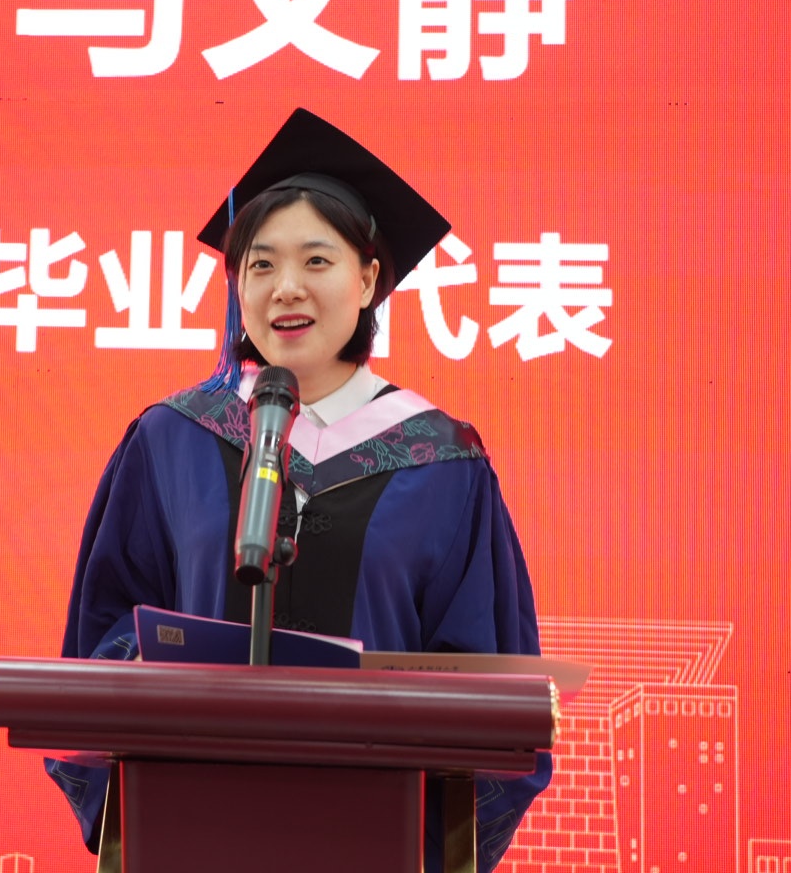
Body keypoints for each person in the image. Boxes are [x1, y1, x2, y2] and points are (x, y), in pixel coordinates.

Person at [45, 108, 549, 872]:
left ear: (368, 279)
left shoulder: (444, 461)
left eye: (317, 261)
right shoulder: (172, 440)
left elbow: (491, 679)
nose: (286, 288)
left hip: (374, 840)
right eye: (260, 265)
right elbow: (102, 635)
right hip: (195, 832)